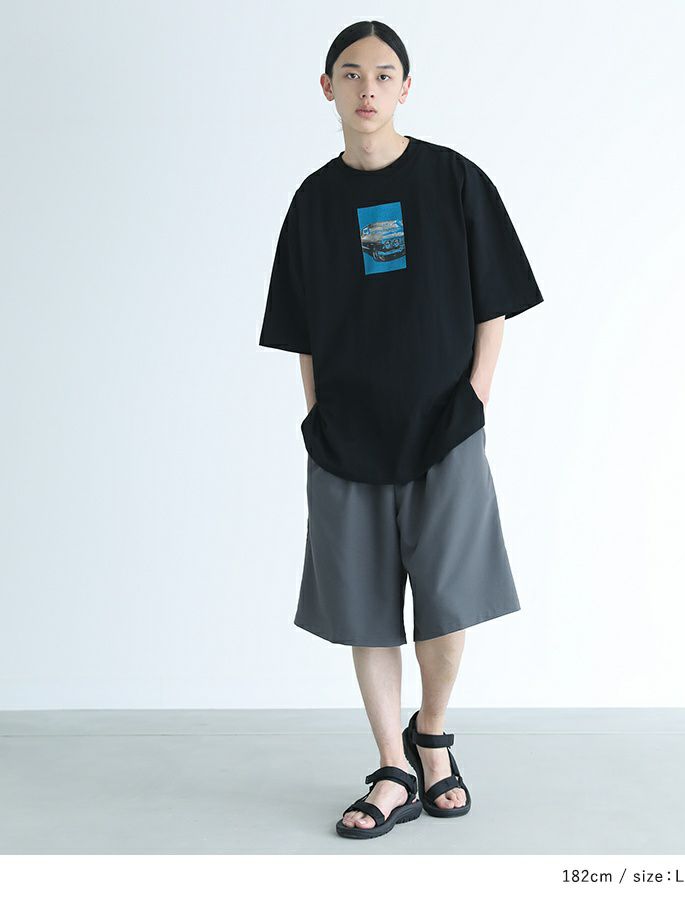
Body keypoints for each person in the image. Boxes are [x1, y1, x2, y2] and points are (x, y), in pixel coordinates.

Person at [258, 20, 544, 839]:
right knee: (367, 610)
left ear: (406, 88)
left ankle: (433, 735)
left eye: (384, 74)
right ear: (328, 89)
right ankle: (392, 767)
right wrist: (316, 414)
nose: (368, 89)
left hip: (444, 426)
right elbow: (302, 329)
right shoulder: (313, 201)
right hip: (347, 436)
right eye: (351, 74)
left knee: (448, 605)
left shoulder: (453, 179)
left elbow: (494, 305)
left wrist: (474, 399)